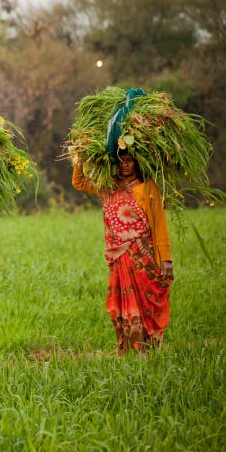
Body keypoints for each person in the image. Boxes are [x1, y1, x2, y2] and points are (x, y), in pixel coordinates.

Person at [72, 151, 174, 354]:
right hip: (120, 258)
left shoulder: (147, 188)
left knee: (149, 302)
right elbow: (80, 182)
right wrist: (80, 158)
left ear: (138, 163)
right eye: (121, 161)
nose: (124, 165)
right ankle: (128, 345)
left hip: (143, 256)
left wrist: (167, 259)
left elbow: (159, 224)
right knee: (119, 305)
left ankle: (150, 345)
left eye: (129, 161)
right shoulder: (109, 186)